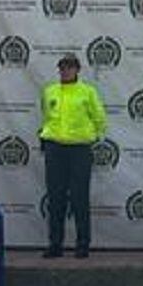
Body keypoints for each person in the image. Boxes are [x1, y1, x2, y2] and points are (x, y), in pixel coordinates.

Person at [38, 52, 105, 259]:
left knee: (79, 198)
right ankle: (55, 244)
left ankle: (83, 244)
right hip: (55, 149)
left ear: (77, 69)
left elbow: (100, 117)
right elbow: (46, 116)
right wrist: (46, 138)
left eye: (70, 67)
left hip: (80, 150)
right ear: (59, 69)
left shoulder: (87, 92)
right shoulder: (49, 91)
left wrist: (94, 137)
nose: (66, 70)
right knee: (55, 198)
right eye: (63, 67)